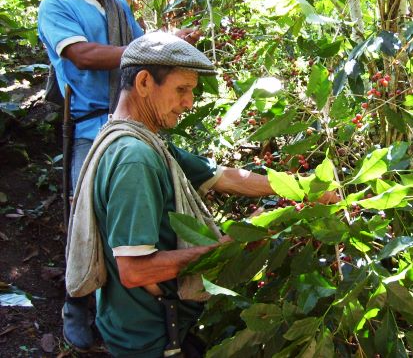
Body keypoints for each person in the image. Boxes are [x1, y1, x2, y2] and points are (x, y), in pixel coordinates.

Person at [68, 32, 339, 357]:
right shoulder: (135, 159)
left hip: (148, 323)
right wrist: (230, 244)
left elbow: (224, 177)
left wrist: (305, 189)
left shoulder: (145, 140)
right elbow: (135, 270)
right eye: (181, 90)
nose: (189, 103)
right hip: (148, 337)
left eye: (191, 92)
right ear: (143, 83)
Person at [38, 0, 203, 351]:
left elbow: (143, 52)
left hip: (126, 115)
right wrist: (158, 49)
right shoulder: (56, 6)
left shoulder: (118, 6)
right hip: (87, 123)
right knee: (86, 217)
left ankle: (133, 304)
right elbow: (81, 55)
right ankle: (77, 301)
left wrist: (169, 50)